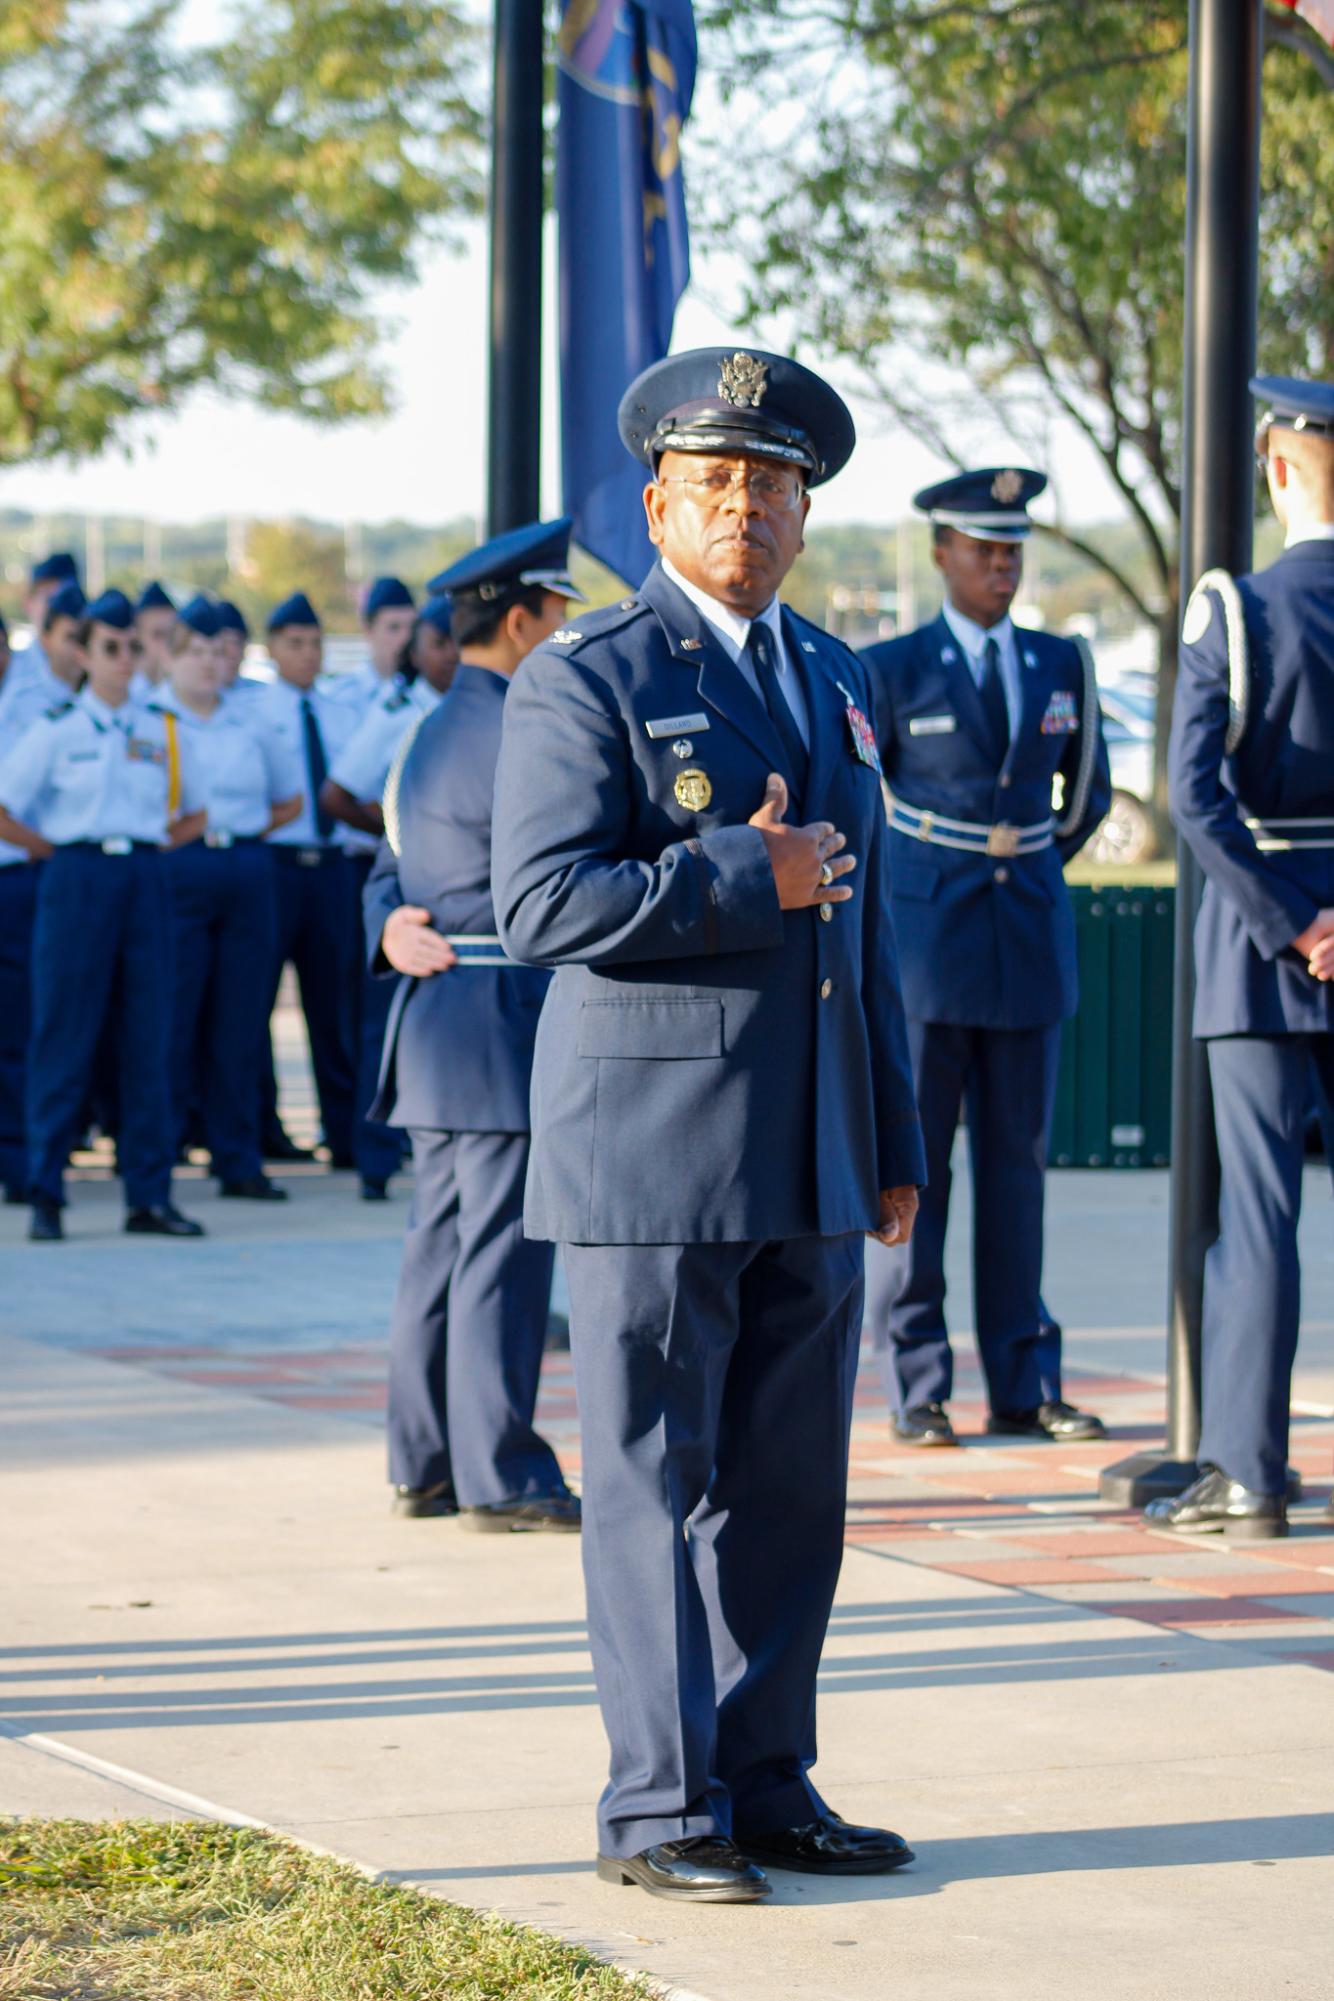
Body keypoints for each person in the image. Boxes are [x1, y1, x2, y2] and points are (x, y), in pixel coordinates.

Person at [492, 348, 926, 1902]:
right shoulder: (589, 673)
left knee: (792, 1488)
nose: (747, 506)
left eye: (774, 484)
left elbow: (863, 925)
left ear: (806, 512)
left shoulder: (835, 676)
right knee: (650, 1483)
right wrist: (743, 878)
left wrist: (890, 1138)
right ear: (658, 503)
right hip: (653, 1153)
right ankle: (661, 1808)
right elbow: (537, 903)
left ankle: (766, 1779)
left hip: (810, 1148)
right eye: (718, 482)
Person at [859, 469, 1111, 1449]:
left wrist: (1025, 860)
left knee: (1017, 1172)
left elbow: (1082, 796)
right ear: (939, 552)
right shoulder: (891, 665)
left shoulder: (1060, 660)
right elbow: (863, 802)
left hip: (1026, 945)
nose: (999, 565)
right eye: (980, 547)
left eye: (1011, 549)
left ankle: (1022, 1379)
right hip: (924, 949)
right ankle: (916, 1384)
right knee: (916, 1175)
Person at [364, 528, 582, 1527]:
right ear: (520, 619)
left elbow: (387, 869)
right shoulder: (528, 731)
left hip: (436, 1019)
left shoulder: (421, 731)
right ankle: (500, 1470)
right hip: (499, 1017)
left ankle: (423, 1460)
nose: (566, 629)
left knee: (441, 1245)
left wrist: (385, 927)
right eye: (558, 612)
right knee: (498, 1254)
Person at [1149, 373, 1334, 1540]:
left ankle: (1248, 1473)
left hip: (1262, 964)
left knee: (1257, 1221)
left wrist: (1292, 924)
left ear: (1274, 468)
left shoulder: (1236, 610)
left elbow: (1192, 796)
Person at [0, 589, 206, 1242]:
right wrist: (54, 851)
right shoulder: (56, 729)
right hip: (77, 876)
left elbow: (195, 813)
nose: (122, 659)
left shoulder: (160, 727)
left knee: (149, 1038)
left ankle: (148, 1195)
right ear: (84, 655)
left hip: (143, 876)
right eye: (109, 648)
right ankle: (46, 1191)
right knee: (63, 1035)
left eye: (130, 647)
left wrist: (147, 850)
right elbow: (7, 806)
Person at [153, 598, 301, 1201]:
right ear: (173, 655)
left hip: (244, 863)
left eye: (221, 651)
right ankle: (158, 1158)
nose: (212, 664)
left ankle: (237, 1160)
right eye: (198, 652)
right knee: (174, 1017)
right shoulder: (151, 719)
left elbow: (290, 800)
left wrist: (235, 832)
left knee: (241, 1021)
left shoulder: (252, 720)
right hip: (179, 869)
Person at [322, 595, 458, 1199]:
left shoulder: (483, 708)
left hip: (460, 886)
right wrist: (403, 836)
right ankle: (374, 1159)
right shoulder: (399, 712)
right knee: (382, 1022)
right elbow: (337, 795)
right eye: (439, 643)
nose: (451, 655)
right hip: (397, 880)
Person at [249, 592, 360, 1167]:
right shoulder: (253, 712)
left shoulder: (341, 709)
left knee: (331, 1005)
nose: (308, 654)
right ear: (271, 649)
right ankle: (265, 1130)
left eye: (316, 643)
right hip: (275, 867)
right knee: (257, 1004)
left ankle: (343, 1136)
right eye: (295, 643)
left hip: (330, 869)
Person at [0, 587, 93, 1202]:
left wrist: (45, 851)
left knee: (21, 1029)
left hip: (18, 880)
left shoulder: (35, 706)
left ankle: (22, 1164)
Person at [334, 575, 418, 715]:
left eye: (413, 627)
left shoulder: (424, 691)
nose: (406, 637)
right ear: (368, 630)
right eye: (394, 627)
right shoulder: (342, 698)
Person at [4, 553, 81, 695]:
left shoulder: (98, 665)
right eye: (47, 596)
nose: (55, 607)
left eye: (65, 598)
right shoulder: (10, 667)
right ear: (27, 603)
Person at [132, 581, 178, 692]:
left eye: (172, 634)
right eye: (158, 634)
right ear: (138, 637)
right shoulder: (126, 691)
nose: (167, 642)